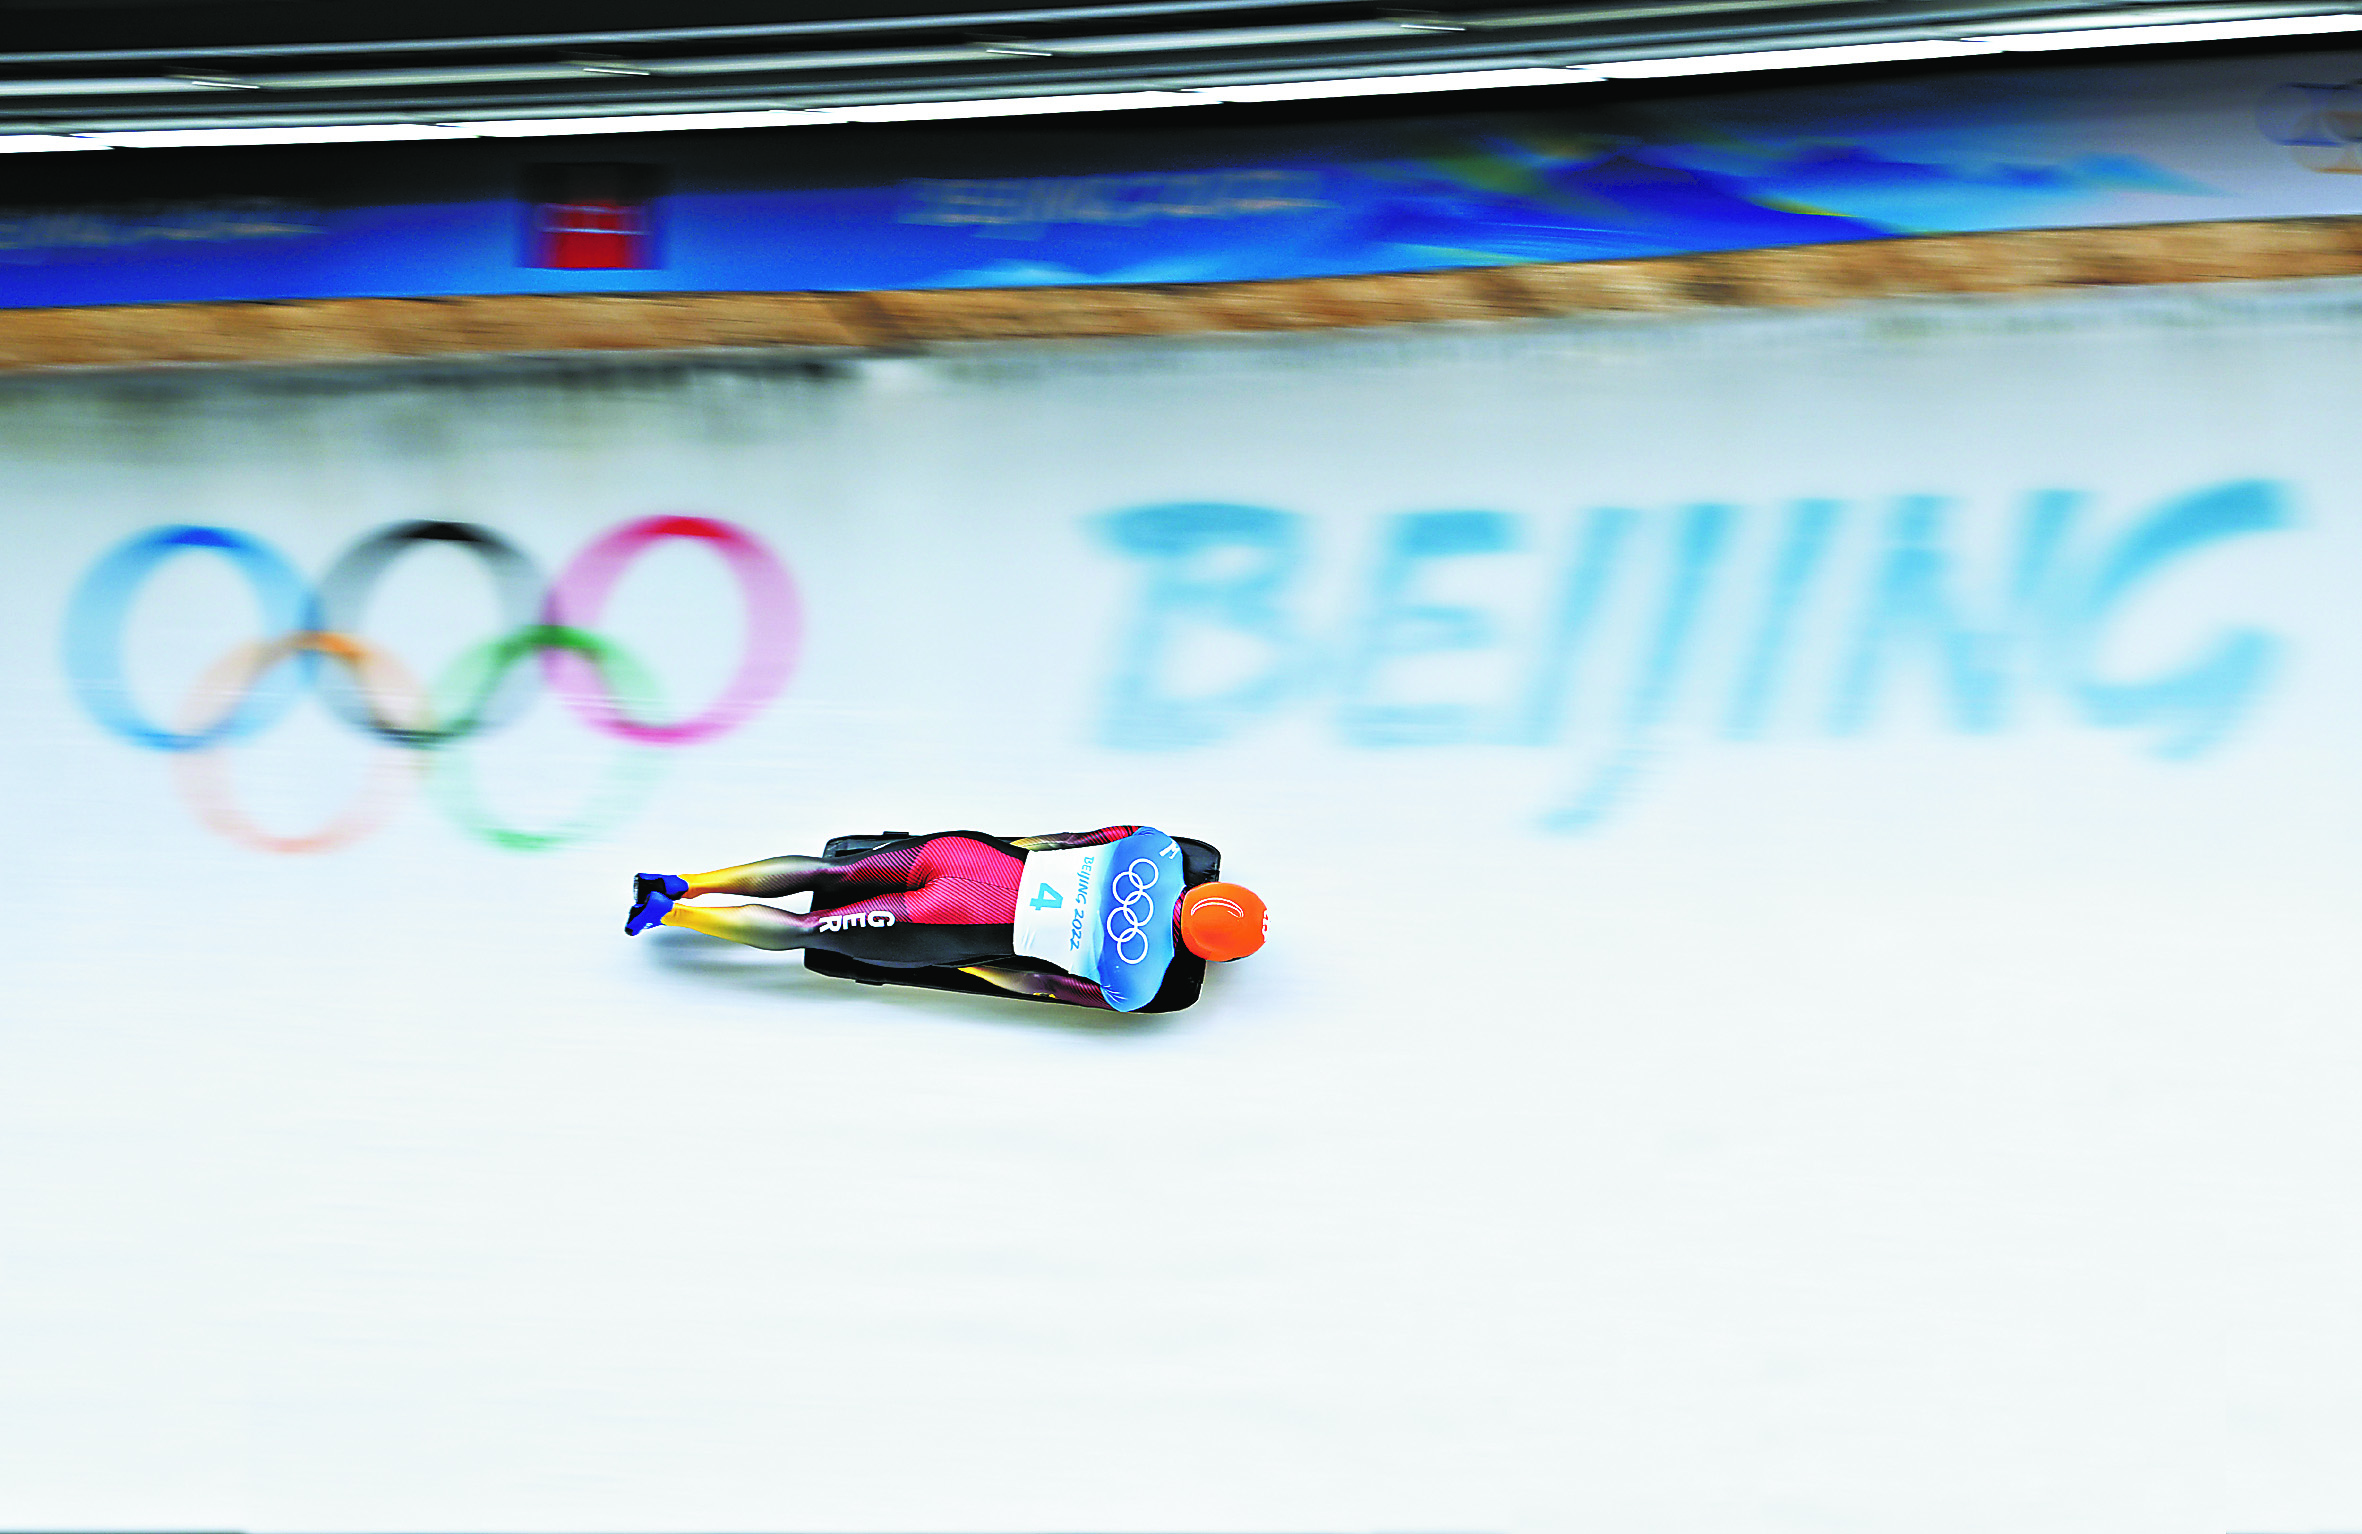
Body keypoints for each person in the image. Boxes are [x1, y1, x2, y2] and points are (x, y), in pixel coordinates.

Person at [626, 825, 1265, 1012]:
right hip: (951, 922)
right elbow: (1036, 985)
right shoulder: (1139, 983)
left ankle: (687, 880)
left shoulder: (1153, 849)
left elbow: (1061, 841)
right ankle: (676, 915)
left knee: (833, 876)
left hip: (970, 860)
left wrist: (999, 848)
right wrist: (965, 967)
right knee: (805, 931)